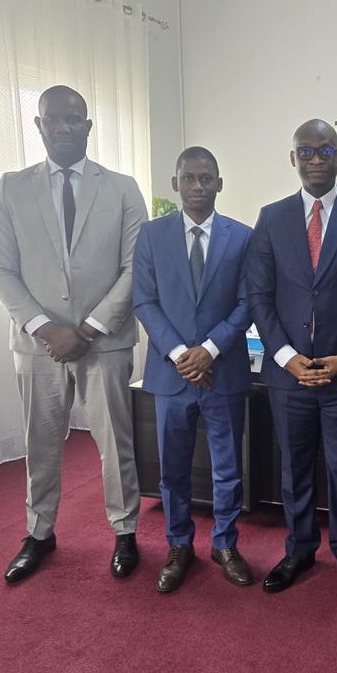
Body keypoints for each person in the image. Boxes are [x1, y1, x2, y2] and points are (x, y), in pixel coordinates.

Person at [0, 85, 147, 582]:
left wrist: (91, 326)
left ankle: (125, 533)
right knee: (41, 443)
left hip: (107, 341)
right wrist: (43, 328)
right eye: (52, 119)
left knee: (115, 441)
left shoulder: (121, 187)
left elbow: (136, 265)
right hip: (38, 346)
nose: (62, 127)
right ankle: (39, 534)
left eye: (72, 119)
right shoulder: (11, 188)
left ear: (88, 126)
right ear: (37, 125)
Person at [248, 119, 337, 602]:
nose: (314, 159)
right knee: (295, 469)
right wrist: (285, 357)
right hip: (289, 376)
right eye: (305, 151)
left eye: (324, 151)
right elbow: (259, 296)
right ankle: (300, 548)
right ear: (293, 158)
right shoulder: (271, 218)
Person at [133, 147, 253, 593]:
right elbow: (144, 300)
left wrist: (211, 349)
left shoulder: (242, 237)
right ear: (175, 184)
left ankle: (225, 544)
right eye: (189, 178)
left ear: (220, 183)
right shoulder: (151, 236)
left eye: (207, 178)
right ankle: (179, 544)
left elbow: (248, 303)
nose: (198, 186)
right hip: (171, 374)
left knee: (228, 468)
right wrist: (184, 353)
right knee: (173, 469)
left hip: (223, 371)